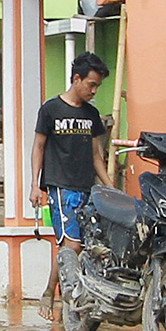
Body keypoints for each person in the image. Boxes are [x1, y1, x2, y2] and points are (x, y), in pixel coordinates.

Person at [34, 52, 113, 245]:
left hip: (87, 187)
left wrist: (110, 187)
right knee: (72, 245)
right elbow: (38, 147)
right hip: (61, 187)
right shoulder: (51, 109)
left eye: (98, 86)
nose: (94, 91)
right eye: (91, 84)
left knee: (88, 246)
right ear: (77, 78)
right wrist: (34, 186)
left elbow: (96, 154)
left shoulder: (91, 114)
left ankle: (58, 277)